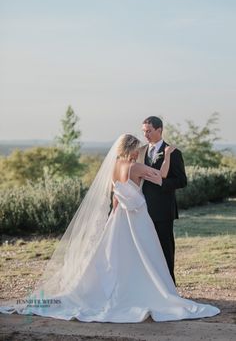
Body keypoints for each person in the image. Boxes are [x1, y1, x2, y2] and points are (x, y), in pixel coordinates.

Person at [0, 134, 219, 322]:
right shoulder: (136, 166)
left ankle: (112, 289)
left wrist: (112, 216)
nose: (138, 152)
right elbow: (161, 176)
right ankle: (142, 290)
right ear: (131, 149)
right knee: (142, 253)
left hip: (119, 216)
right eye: (137, 149)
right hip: (137, 216)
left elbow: (115, 197)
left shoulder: (114, 167)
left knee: (114, 254)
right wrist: (169, 155)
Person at [138, 116, 187, 284]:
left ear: (160, 130)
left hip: (164, 210)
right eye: (144, 131)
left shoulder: (173, 152)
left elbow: (182, 181)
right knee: (146, 250)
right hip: (142, 209)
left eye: (149, 131)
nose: (146, 135)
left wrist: (162, 182)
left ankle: (169, 287)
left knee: (165, 249)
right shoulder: (141, 151)